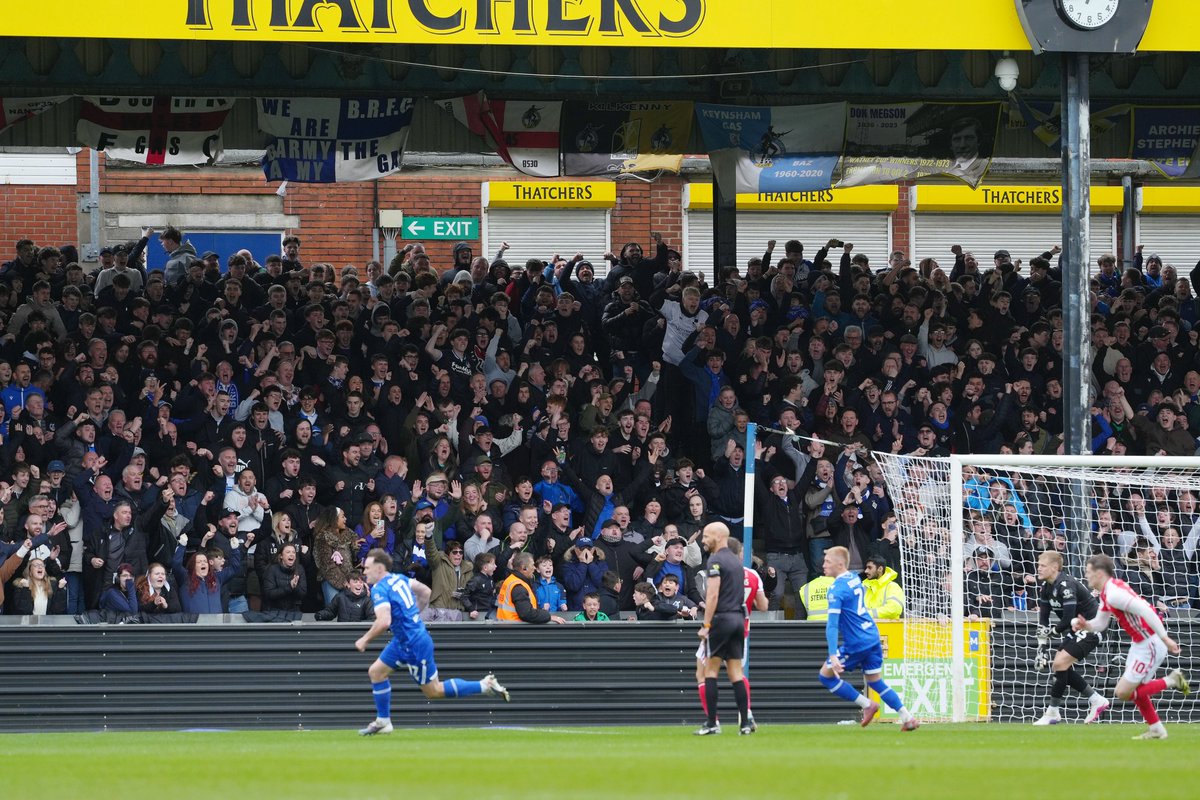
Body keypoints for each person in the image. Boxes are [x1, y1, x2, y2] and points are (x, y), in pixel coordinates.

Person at [354, 548, 510, 735]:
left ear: (379, 568)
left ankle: (484, 685)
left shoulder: (379, 588)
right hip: (404, 640)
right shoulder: (399, 578)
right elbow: (425, 591)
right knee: (376, 672)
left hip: (414, 643)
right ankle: (383, 721)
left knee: (433, 691)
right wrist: (414, 615)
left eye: (367, 568)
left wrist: (364, 640)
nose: (364, 572)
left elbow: (383, 621)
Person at [1071, 554, 1191, 739]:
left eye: (1088, 572)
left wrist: (1165, 638)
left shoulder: (1114, 593)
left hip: (1150, 643)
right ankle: (1156, 729)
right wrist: (1086, 625)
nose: (1086, 575)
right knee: (1136, 689)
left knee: (1123, 692)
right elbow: (1101, 623)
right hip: (1140, 643)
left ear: (1099, 573)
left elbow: (1146, 610)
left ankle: (1171, 680)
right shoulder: (1107, 591)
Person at [817, 546, 919, 731]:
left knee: (825, 676)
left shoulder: (836, 590)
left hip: (857, 641)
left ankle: (867, 704)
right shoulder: (854, 578)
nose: (823, 565)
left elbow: (832, 625)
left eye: (827, 562)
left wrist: (833, 655)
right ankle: (907, 717)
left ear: (840, 564)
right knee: (875, 681)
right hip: (872, 635)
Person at [1031, 551, 1109, 726]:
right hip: (1076, 628)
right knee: (1059, 665)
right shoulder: (1046, 587)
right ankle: (1096, 700)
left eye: (1042, 565)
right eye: (1038, 565)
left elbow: (1066, 619)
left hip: (1092, 625)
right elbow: (1043, 620)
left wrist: (1051, 633)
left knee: (1060, 664)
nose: (1038, 568)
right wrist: (1041, 648)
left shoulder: (1066, 585)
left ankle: (1053, 712)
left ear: (1054, 567)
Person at [695, 522, 753, 736]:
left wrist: (706, 625)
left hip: (721, 619)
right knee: (736, 673)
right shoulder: (737, 561)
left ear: (719, 537)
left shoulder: (715, 560)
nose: (703, 540)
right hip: (738, 620)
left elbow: (712, 595)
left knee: (710, 671)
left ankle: (712, 723)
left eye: (706, 536)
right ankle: (745, 723)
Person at [496, 552, 566, 624]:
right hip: (515, 627)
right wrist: (549, 617)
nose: (534, 568)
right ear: (524, 568)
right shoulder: (518, 586)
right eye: (532, 565)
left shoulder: (512, 580)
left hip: (508, 626)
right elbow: (526, 613)